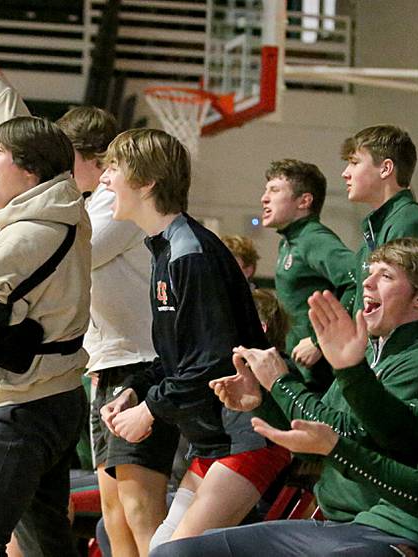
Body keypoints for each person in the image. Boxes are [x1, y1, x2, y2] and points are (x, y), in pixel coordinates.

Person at [0, 7, 178, 556]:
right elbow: (22, 136)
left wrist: (2, 216)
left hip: (137, 363)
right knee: (103, 523)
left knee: (139, 515)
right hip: (98, 365)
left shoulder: (99, 212)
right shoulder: (66, 208)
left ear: (80, 160)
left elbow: (50, 239)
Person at [155, 287, 418, 557]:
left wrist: (335, 448)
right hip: (366, 528)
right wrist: (349, 371)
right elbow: (400, 433)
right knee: (175, 555)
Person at [97, 128, 291, 551]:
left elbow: (214, 360)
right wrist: (133, 392)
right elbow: (175, 358)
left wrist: (150, 410)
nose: (104, 179)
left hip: (248, 432)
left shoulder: (190, 253)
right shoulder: (165, 249)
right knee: (162, 550)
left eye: (114, 168)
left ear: (147, 182)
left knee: (175, 553)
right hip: (214, 439)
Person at [0, 15, 93, 554]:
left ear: (28, 172)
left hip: (21, 407)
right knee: (48, 544)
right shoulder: (66, 204)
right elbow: (25, 134)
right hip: (61, 396)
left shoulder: (23, 235)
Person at [211, 237, 418, 523]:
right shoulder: (370, 349)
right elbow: (316, 439)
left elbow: (347, 436)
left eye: (386, 275)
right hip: (334, 517)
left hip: (373, 523)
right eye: (370, 273)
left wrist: (280, 383)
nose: (367, 283)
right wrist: (262, 400)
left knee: (186, 549)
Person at [260, 159, 356, 392]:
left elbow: (358, 281)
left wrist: (319, 341)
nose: (264, 198)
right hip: (300, 367)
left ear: (304, 201)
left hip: (322, 375)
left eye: (274, 190)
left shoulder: (314, 238)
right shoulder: (290, 242)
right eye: (266, 190)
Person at [340, 125, 418, 314]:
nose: (345, 173)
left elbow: (404, 308)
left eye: (355, 162)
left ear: (385, 168)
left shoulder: (409, 223)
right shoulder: (380, 225)